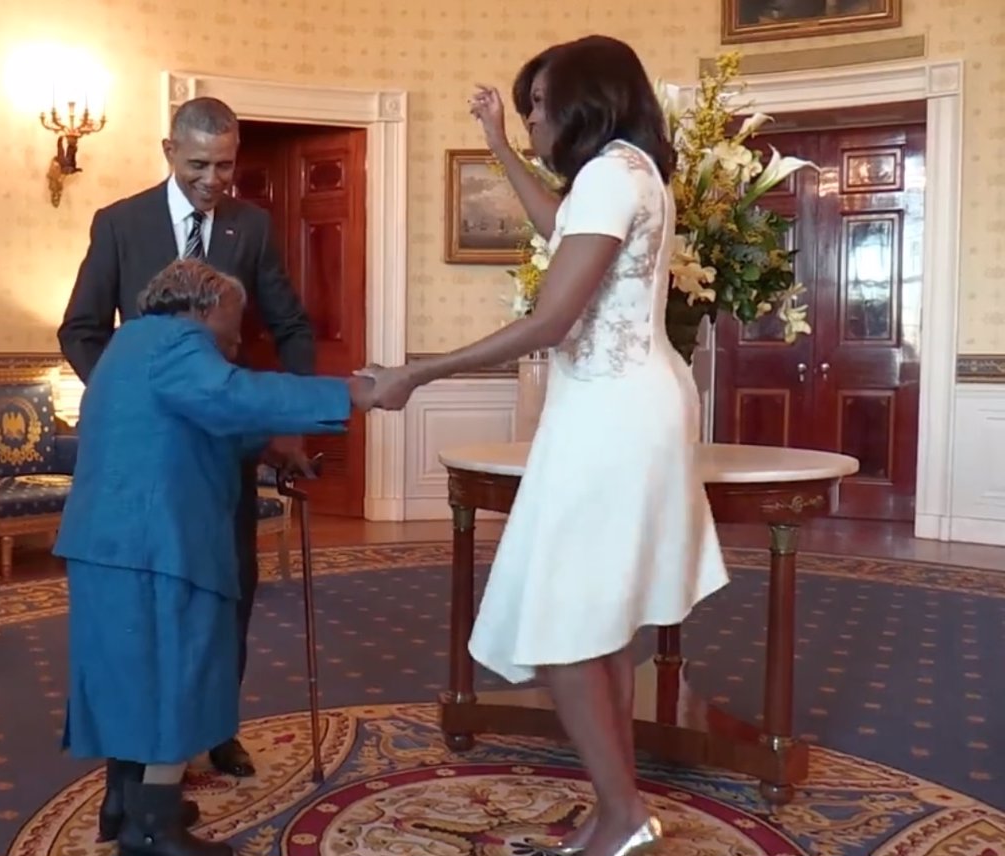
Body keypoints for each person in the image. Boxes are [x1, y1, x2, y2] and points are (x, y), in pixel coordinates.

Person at [359, 36, 730, 856]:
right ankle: (620, 809)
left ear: (581, 101)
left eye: (535, 106)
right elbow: (559, 228)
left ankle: (623, 814)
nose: (530, 119)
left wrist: (420, 372)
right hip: (630, 404)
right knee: (594, 622)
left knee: (560, 619)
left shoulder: (609, 175)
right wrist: (495, 146)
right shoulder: (635, 171)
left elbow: (552, 321)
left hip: (611, 416)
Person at [55, 259, 376, 856]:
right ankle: (155, 832)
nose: (235, 339)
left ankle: (129, 803)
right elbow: (227, 395)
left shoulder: (130, 344)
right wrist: (353, 391)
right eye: (231, 324)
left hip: (111, 540)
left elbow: (193, 421)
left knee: (132, 678)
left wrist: (271, 452)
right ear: (202, 307)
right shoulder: (178, 341)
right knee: (178, 674)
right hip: (159, 543)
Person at [57, 96, 310, 837]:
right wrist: (136, 400)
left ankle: (211, 725)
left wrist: (287, 414)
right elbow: (79, 328)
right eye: (199, 165)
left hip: (216, 457)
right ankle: (124, 788)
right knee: (137, 618)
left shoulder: (251, 226)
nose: (212, 180)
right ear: (170, 151)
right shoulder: (119, 222)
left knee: (224, 594)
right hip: (143, 467)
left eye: (226, 165)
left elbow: (289, 322)